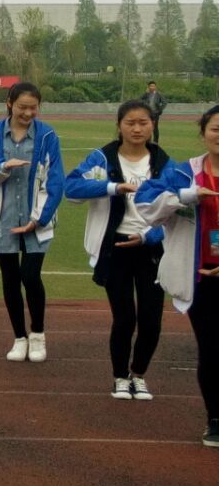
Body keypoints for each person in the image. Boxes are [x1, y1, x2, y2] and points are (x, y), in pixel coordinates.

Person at [65, 101, 169, 399]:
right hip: (116, 248)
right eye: (130, 123)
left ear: (152, 125)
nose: (137, 129)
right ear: (119, 125)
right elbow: (71, 187)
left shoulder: (163, 162)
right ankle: (120, 376)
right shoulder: (102, 158)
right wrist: (112, 187)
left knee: (151, 320)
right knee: (124, 318)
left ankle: (139, 374)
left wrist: (149, 235)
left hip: (151, 247)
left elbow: (178, 209)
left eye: (143, 123)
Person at [133, 103, 219, 447]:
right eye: (215, 129)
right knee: (211, 348)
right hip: (199, 276)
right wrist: (184, 196)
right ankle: (215, 419)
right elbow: (145, 205)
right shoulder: (184, 174)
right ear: (203, 133)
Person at [0, 82, 65, 362]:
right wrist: (1, 166)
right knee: (10, 279)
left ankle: (38, 335)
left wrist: (39, 219)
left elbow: (56, 180)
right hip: (4, 217)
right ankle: (19, 337)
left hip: (36, 219)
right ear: (9, 103)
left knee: (30, 276)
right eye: (22, 107)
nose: (28, 113)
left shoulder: (47, 136)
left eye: (34, 107)